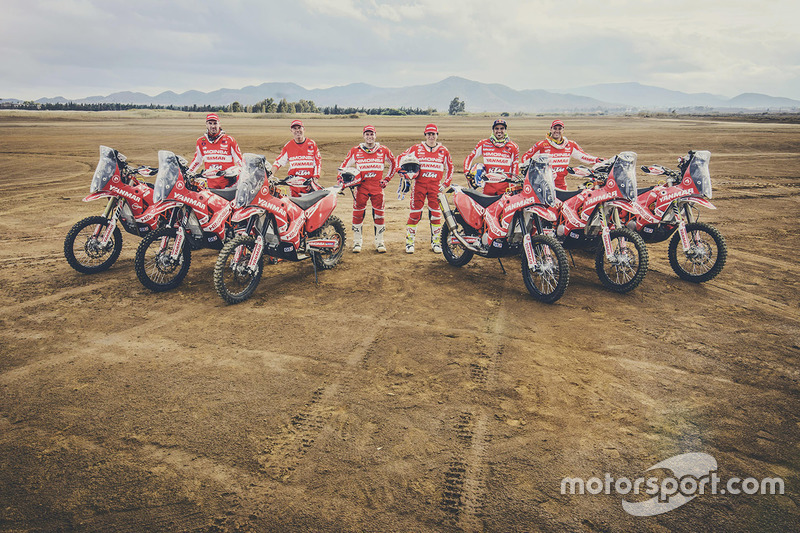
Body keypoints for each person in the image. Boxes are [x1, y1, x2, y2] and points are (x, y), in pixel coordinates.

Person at [396, 123, 454, 254]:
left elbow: (450, 168)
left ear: (437, 135)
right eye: (429, 134)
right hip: (419, 186)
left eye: (433, 134)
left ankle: (436, 243)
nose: (431, 136)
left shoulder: (443, 150)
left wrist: (445, 184)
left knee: (436, 214)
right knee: (415, 214)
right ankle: (410, 243)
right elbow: (399, 158)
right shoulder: (417, 148)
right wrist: (401, 172)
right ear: (425, 135)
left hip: (435, 187)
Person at [339, 125, 396, 253]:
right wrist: (341, 180)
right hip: (361, 187)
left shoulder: (383, 150)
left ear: (375, 135)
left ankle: (379, 242)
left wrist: (387, 179)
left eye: (372, 134)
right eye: (367, 134)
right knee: (358, 214)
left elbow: (394, 163)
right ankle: (357, 243)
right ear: (363, 136)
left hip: (377, 187)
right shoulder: (355, 150)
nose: (369, 137)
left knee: (379, 214)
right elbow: (343, 166)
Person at [522, 120, 604, 191]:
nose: (557, 131)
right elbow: (525, 158)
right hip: (544, 184)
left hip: (561, 185)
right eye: (555, 128)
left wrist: (597, 160)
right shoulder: (542, 145)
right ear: (550, 129)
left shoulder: (570, 144)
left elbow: (583, 156)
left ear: (563, 130)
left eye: (559, 129)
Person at [463, 119, 520, 196]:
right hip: (488, 187)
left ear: (505, 130)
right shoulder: (484, 143)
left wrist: (513, 185)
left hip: (505, 188)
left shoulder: (513, 146)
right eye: (496, 128)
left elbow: (515, 166)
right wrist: (466, 172)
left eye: (502, 128)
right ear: (493, 130)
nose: (499, 131)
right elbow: (469, 157)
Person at [188, 113, 244, 189]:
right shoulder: (200, 141)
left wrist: (241, 175)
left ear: (219, 124)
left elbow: (240, 162)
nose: (213, 126)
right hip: (210, 186)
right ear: (206, 125)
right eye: (210, 123)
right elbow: (197, 161)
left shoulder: (229, 140)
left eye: (215, 123)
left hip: (229, 186)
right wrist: (188, 174)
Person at [271, 119, 322, 197]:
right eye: (295, 128)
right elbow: (278, 162)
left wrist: (315, 180)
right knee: (294, 207)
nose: (297, 130)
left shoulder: (312, 144)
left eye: (299, 128)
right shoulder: (288, 146)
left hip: (309, 185)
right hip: (294, 186)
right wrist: (270, 176)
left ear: (304, 129)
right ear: (291, 131)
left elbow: (318, 163)